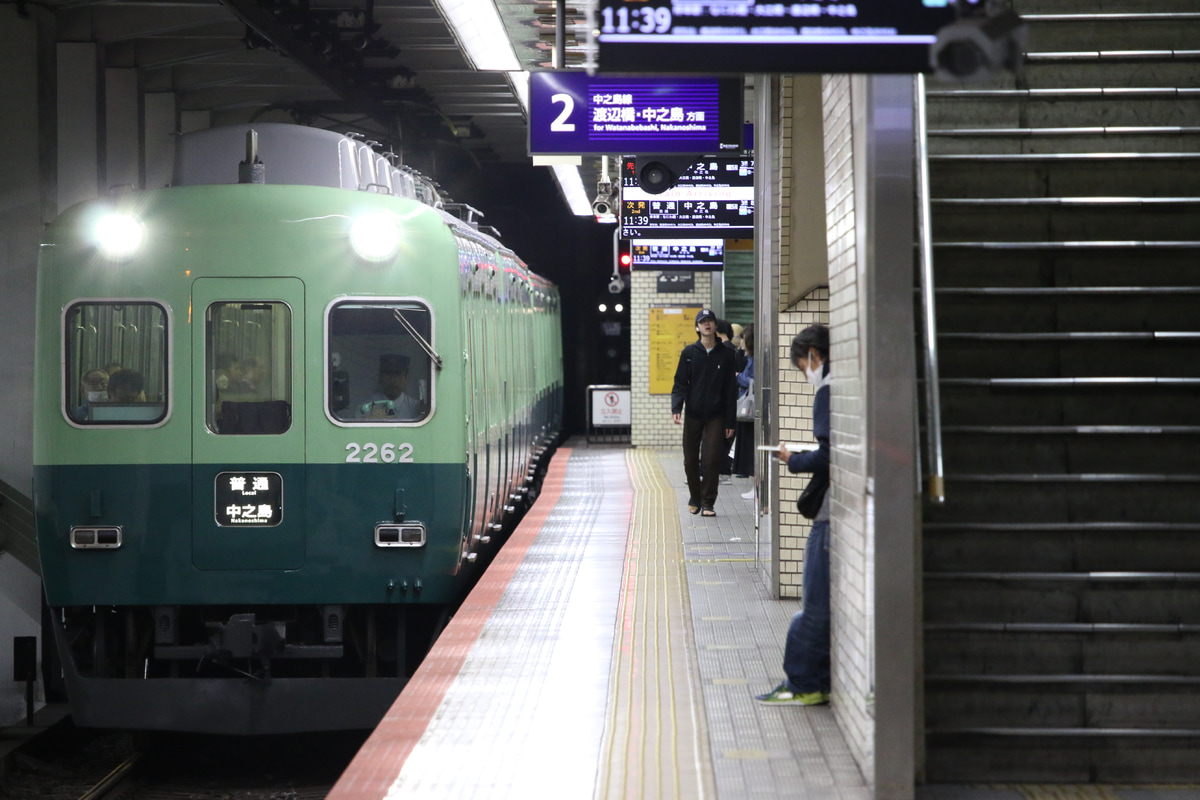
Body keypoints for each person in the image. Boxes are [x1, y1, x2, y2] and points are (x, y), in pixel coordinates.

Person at [757, 323, 832, 706]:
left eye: (804, 366)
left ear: (815, 357)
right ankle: (815, 680)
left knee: (814, 606)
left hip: (831, 516)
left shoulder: (828, 392)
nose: (806, 375)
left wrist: (792, 459)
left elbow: (829, 454)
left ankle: (805, 683)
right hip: (844, 513)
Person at [671, 308, 738, 517]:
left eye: (710, 321)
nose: (707, 324)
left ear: (715, 326)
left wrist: (730, 422)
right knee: (690, 459)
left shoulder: (727, 354)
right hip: (693, 413)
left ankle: (708, 502)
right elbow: (680, 383)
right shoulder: (689, 353)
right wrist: (677, 407)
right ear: (697, 328)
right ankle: (695, 496)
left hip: (716, 415)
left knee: (711, 460)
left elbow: (730, 389)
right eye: (703, 322)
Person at [360, 354, 419, 419]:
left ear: (406, 378)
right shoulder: (366, 407)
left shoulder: (415, 408)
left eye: (397, 374)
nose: (392, 380)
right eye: (388, 374)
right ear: (380, 377)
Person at [733, 324, 756, 485]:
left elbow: (754, 381)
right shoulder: (749, 357)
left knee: (750, 446)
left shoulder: (754, 360)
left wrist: (737, 376)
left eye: (744, 338)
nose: (741, 342)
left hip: (750, 408)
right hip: (745, 408)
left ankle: (756, 486)